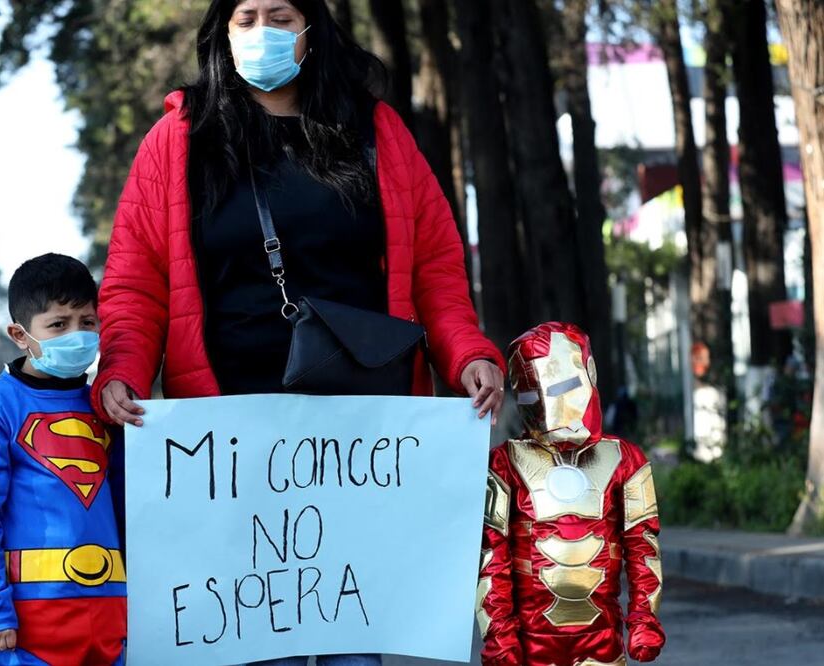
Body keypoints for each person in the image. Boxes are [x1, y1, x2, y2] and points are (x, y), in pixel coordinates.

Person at [95, 0, 505, 663]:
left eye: (280, 16)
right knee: (262, 645)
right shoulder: (178, 139)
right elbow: (135, 283)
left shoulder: (376, 129)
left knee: (353, 646)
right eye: (247, 17)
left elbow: (434, 265)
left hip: (358, 442)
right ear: (222, 34)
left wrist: (466, 355)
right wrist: (122, 369)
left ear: (311, 31)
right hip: (230, 447)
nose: (263, 32)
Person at [0, 253, 126, 665]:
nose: (78, 335)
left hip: (113, 611)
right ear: (20, 334)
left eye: (88, 322)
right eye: (58, 325)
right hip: (34, 616)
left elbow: (132, 506)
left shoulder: (108, 404)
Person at [477, 322, 665, 666]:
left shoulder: (625, 460)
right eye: (533, 396)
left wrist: (644, 618)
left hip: (602, 641)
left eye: (564, 387)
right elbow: (492, 555)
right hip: (531, 643)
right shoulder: (504, 463)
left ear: (588, 374)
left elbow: (643, 546)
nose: (552, 409)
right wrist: (499, 632)